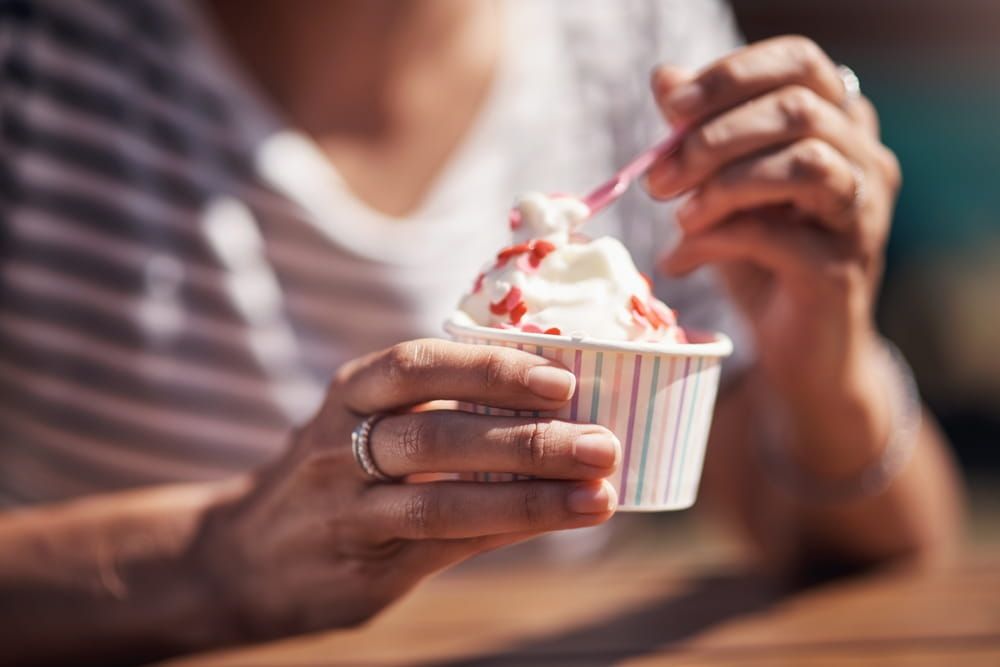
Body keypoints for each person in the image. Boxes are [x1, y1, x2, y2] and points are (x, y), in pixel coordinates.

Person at [0, 0, 963, 664]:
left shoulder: (628, 32)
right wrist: (224, 557)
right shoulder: (46, 53)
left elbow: (882, 553)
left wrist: (820, 360)